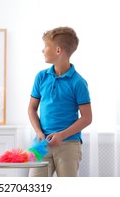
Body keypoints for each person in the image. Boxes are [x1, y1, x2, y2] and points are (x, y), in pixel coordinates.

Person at [28, 26, 92, 177]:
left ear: (58, 50)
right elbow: (31, 109)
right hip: (41, 143)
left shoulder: (78, 82)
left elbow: (87, 117)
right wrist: (38, 132)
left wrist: (62, 135)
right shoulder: (41, 77)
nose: (42, 50)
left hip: (68, 145)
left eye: (46, 46)